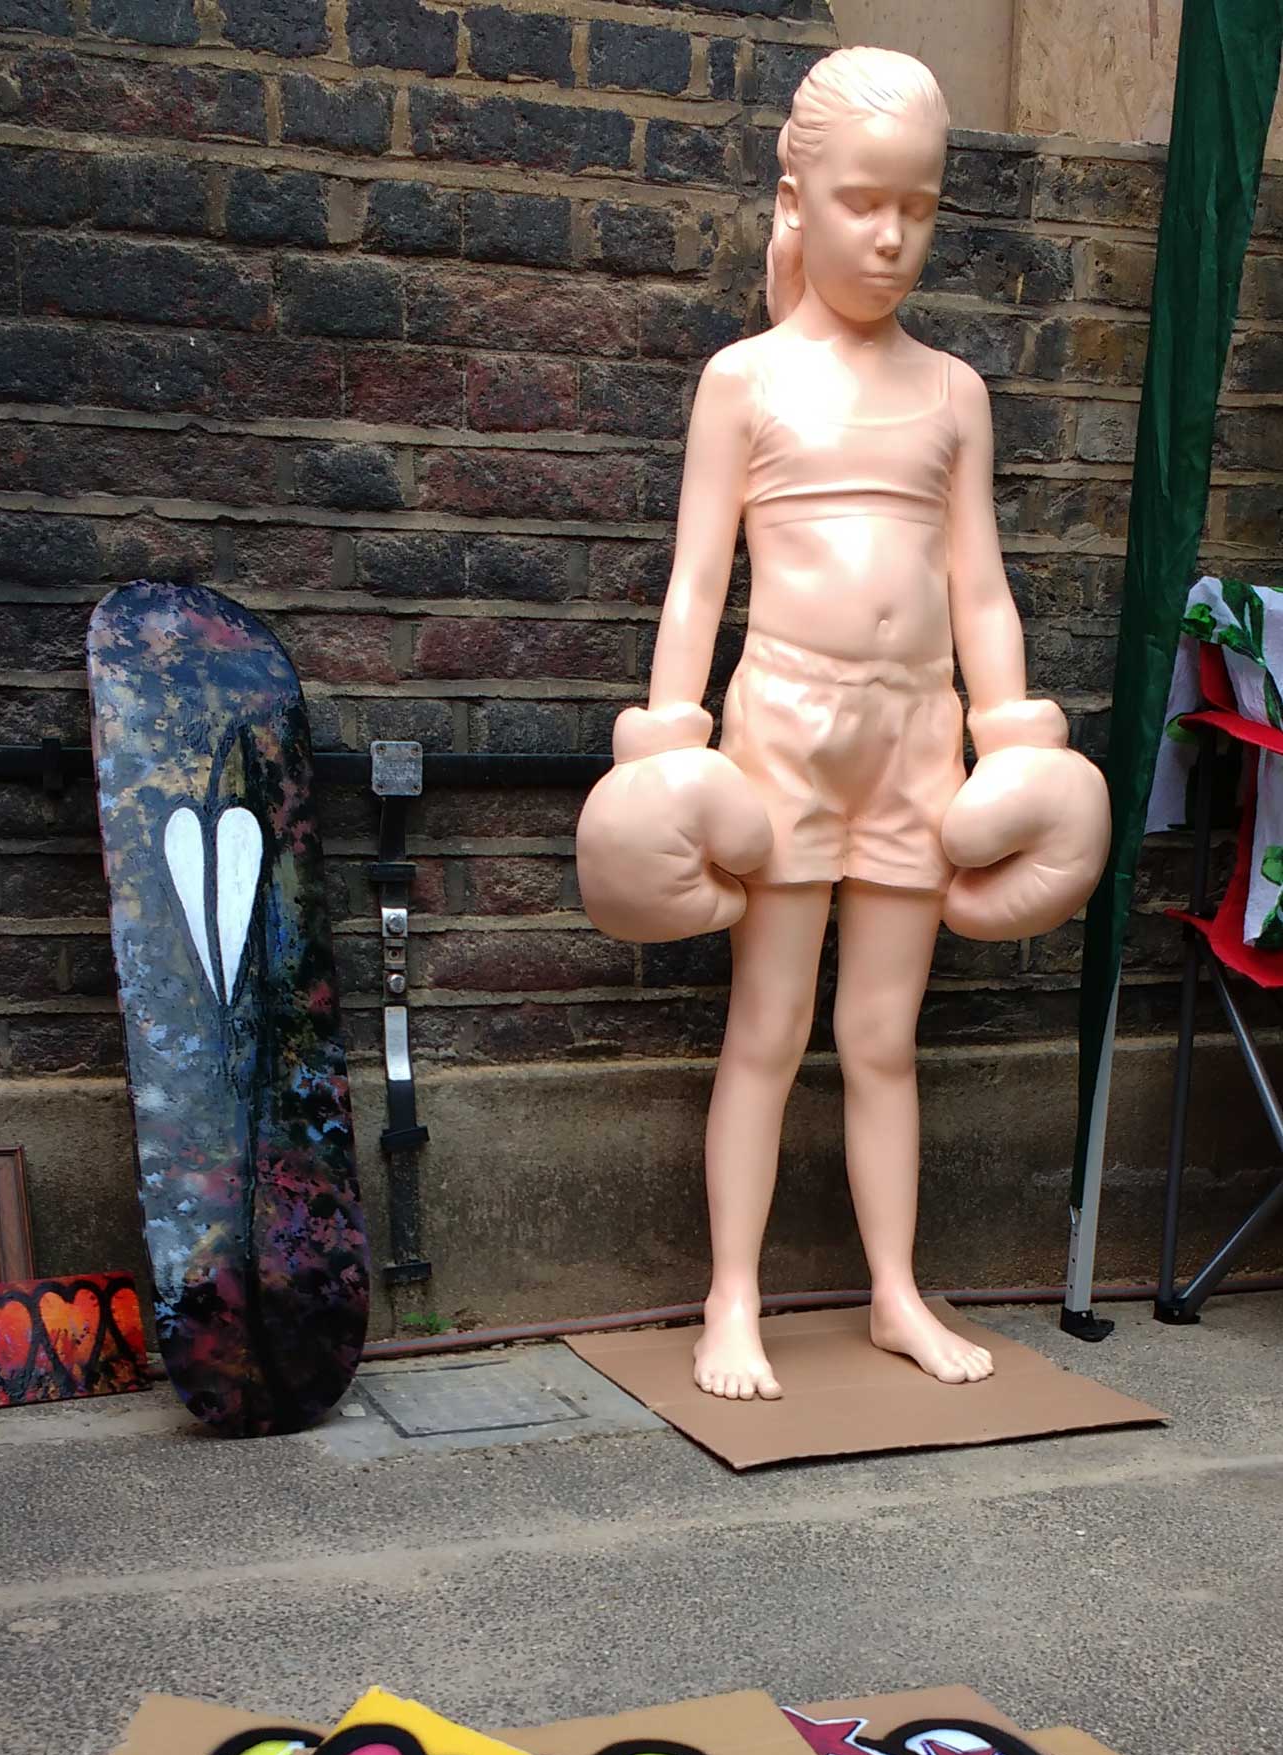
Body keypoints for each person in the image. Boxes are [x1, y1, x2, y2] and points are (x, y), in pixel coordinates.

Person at [577, 48, 1106, 1402]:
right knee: (766, 1030)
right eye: (863, 201)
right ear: (795, 201)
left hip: (916, 738)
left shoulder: (954, 393)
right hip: (785, 733)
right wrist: (670, 737)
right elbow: (698, 578)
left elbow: (978, 585)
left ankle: (894, 1293)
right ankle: (732, 1297)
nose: (890, 235)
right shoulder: (743, 382)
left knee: (880, 1039)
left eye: (918, 207)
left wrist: (1011, 736)